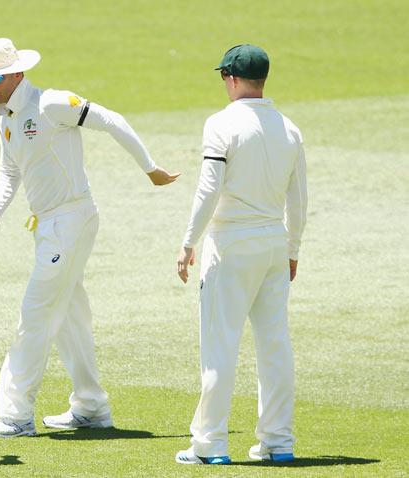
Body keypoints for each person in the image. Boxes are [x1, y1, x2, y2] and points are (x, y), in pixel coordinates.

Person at [0, 38, 180, 438]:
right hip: (47, 225)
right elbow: (10, 172)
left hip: (72, 219)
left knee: (36, 314)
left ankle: (15, 416)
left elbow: (110, 119)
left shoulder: (52, 103)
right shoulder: (4, 117)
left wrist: (150, 168)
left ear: (16, 72)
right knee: (69, 318)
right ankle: (91, 407)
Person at [175, 44, 307, 465]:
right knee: (274, 345)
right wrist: (292, 249)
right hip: (273, 244)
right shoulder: (289, 128)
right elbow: (298, 200)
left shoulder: (220, 123)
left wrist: (187, 242)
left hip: (230, 245)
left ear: (232, 79)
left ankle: (210, 445)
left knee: (220, 344)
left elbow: (208, 189)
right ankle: (278, 442)